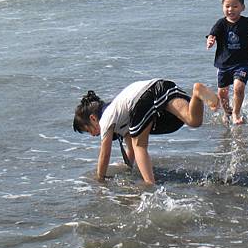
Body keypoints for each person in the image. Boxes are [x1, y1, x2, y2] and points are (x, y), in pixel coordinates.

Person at [73, 79, 219, 185]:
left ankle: (149, 184)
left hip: (144, 97)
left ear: (93, 118)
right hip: (162, 85)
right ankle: (197, 93)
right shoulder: (119, 114)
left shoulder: (105, 119)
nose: (93, 134)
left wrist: (100, 179)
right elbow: (130, 149)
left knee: (140, 146)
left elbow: (105, 154)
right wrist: (128, 168)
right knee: (193, 120)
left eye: (89, 130)